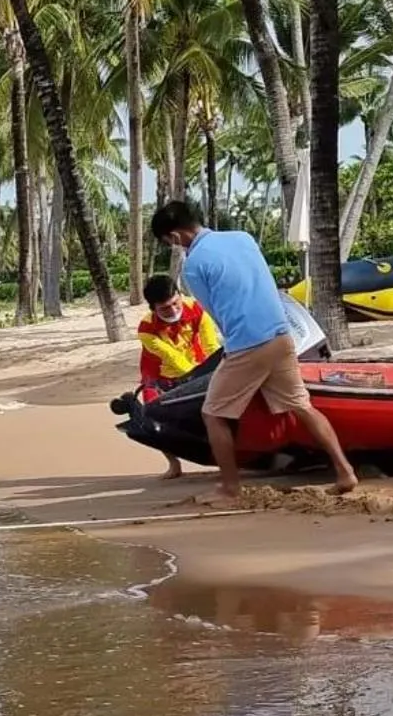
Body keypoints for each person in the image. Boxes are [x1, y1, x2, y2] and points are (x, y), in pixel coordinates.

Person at [150, 201, 359, 499]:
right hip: (282, 334)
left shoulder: (193, 266)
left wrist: (232, 353)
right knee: (302, 405)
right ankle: (345, 471)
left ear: (175, 236)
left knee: (213, 414)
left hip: (248, 344)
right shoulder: (242, 237)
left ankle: (230, 487)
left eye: (170, 242)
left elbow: (216, 312)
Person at [136, 274, 222, 481]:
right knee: (154, 419)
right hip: (160, 376)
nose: (174, 310)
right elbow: (172, 358)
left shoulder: (197, 309)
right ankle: (173, 464)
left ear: (180, 295)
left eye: (176, 303)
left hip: (197, 363)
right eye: (165, 309)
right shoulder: (146, 329)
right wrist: (194, 380)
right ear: (153, 309)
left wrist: (215, 370)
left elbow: (211, 345)